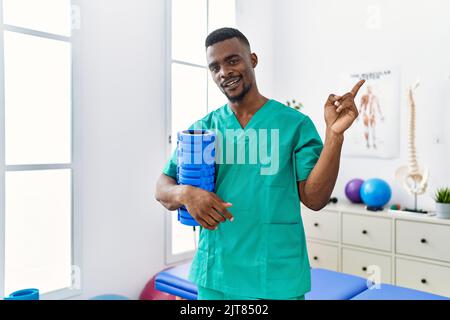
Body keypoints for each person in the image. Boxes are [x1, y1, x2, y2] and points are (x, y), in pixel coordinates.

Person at [155, 28, 365, 300]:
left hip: (276, 275)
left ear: (252, 59)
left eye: (233, 60)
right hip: (217, 274)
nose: (224, 72)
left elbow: (315, 199)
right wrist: (185, 193)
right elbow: (162, 187)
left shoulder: (294, 125)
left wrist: (334, 136)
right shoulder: (203, 129)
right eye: (215, 66)